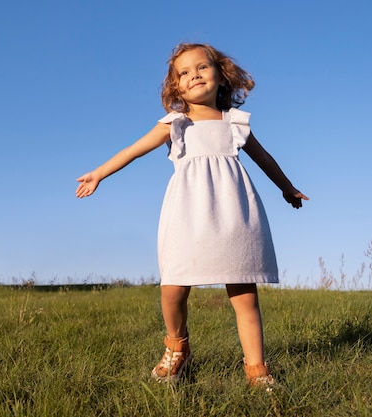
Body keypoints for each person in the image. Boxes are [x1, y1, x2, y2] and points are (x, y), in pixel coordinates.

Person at [75, 43, 308, 387]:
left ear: (221, 74)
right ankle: (177, 345)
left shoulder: (235, 123)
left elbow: (264, 158)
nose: (194, 75)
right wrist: (98, 173)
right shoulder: (176, 122)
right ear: (176, 87)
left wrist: (287, 187)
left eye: (201, 67)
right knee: (173, 288)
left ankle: (257, 368)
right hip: (187, 214)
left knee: (244, 294)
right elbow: (133, 150)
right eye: (184, 73)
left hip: (234, 216)